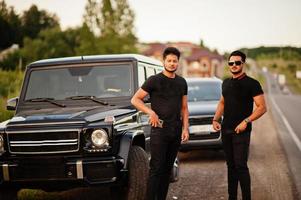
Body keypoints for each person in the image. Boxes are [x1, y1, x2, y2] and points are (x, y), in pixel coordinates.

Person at [131, 47, 189, 200]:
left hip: (176, 130)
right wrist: (150, 112)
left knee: (167, 169)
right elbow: (135, 99)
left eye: (174, 61)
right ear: (164, 61)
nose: (171, 63)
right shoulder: (154, 80)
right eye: (169, 61)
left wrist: (186, 129)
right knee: (156, 169)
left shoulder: (182, 82)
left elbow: (184, 108)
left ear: (178, 62)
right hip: (159, 130)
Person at [212, 50, 267, 200]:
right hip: (226, 130)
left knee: (241, 166)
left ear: (243, 63)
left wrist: (246, 121)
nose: (234, 65)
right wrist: (215, 119)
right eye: (231, 63)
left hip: (242, 131)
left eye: (237, 63)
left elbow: (262, 107)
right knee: (230, 166)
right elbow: (222, 102)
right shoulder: (226, 83)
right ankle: (232, 197)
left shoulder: (252, 84)